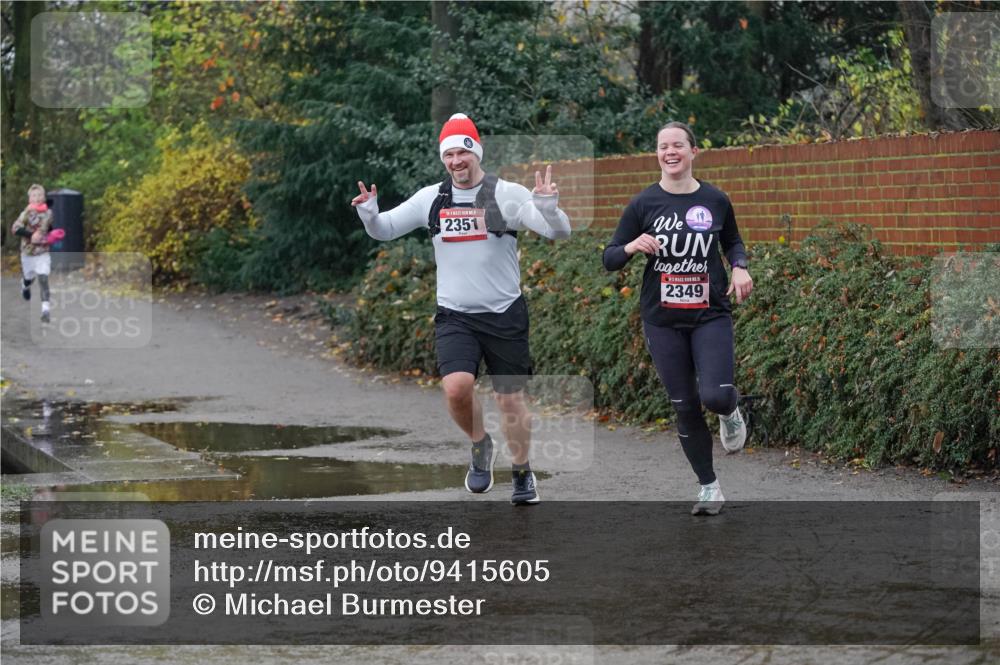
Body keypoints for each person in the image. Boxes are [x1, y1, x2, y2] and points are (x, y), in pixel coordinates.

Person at [352, 113, 572, 504]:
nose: (456, 161)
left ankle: (522, 472)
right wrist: (369, 213)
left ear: (477, 153)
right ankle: (480, 445)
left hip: (504, 312)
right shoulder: (431, 199)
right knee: (456, 388)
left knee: (510, 399)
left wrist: (549, 208)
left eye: (463, 152)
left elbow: (558, 231)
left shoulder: (506, 194)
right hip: (455, 314)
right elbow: (384, 229)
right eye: (449, 154)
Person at [603, 121, 753, 516]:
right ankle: (709, 488)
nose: (670, 152)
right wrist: (632, 246)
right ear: (657, 154)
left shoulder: (715, 199)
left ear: (693, 151)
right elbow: (609, 257)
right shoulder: (643, 204)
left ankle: (731, 410)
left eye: (677, 146)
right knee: (684, 405)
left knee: (715, 395)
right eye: (662, 147)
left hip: (710, 315)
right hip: (662, 320)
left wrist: (739, 266)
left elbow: (733, 241)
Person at [11, 184, 55, 323]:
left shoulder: (49, 213)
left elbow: (49, 228)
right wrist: (31, 235)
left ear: (44, 197)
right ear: (30, 198)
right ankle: (25, 284)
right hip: (28, 253)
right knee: (30, 278)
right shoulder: (25, 213)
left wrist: (52, 235)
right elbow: (15, 229)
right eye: (34, 196)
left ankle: (45, 311)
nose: (37, 198)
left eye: (40, 195)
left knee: (43, 278)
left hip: (43, 252)